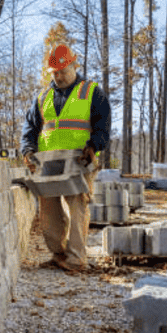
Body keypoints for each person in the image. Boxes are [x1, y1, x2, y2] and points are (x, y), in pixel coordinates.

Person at [20, 43, 111, 271]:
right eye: (55, 73)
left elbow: (103, 125)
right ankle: (58, 255)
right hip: (48, 161)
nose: (59, 77)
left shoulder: (91, 92)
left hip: (79, 159)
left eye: (63, 72)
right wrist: (28, 151)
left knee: (77, 208)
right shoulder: (43, 97)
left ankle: (75, 260)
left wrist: (94, 146)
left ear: (74, 66)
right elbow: (30, 127)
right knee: (49, 212)